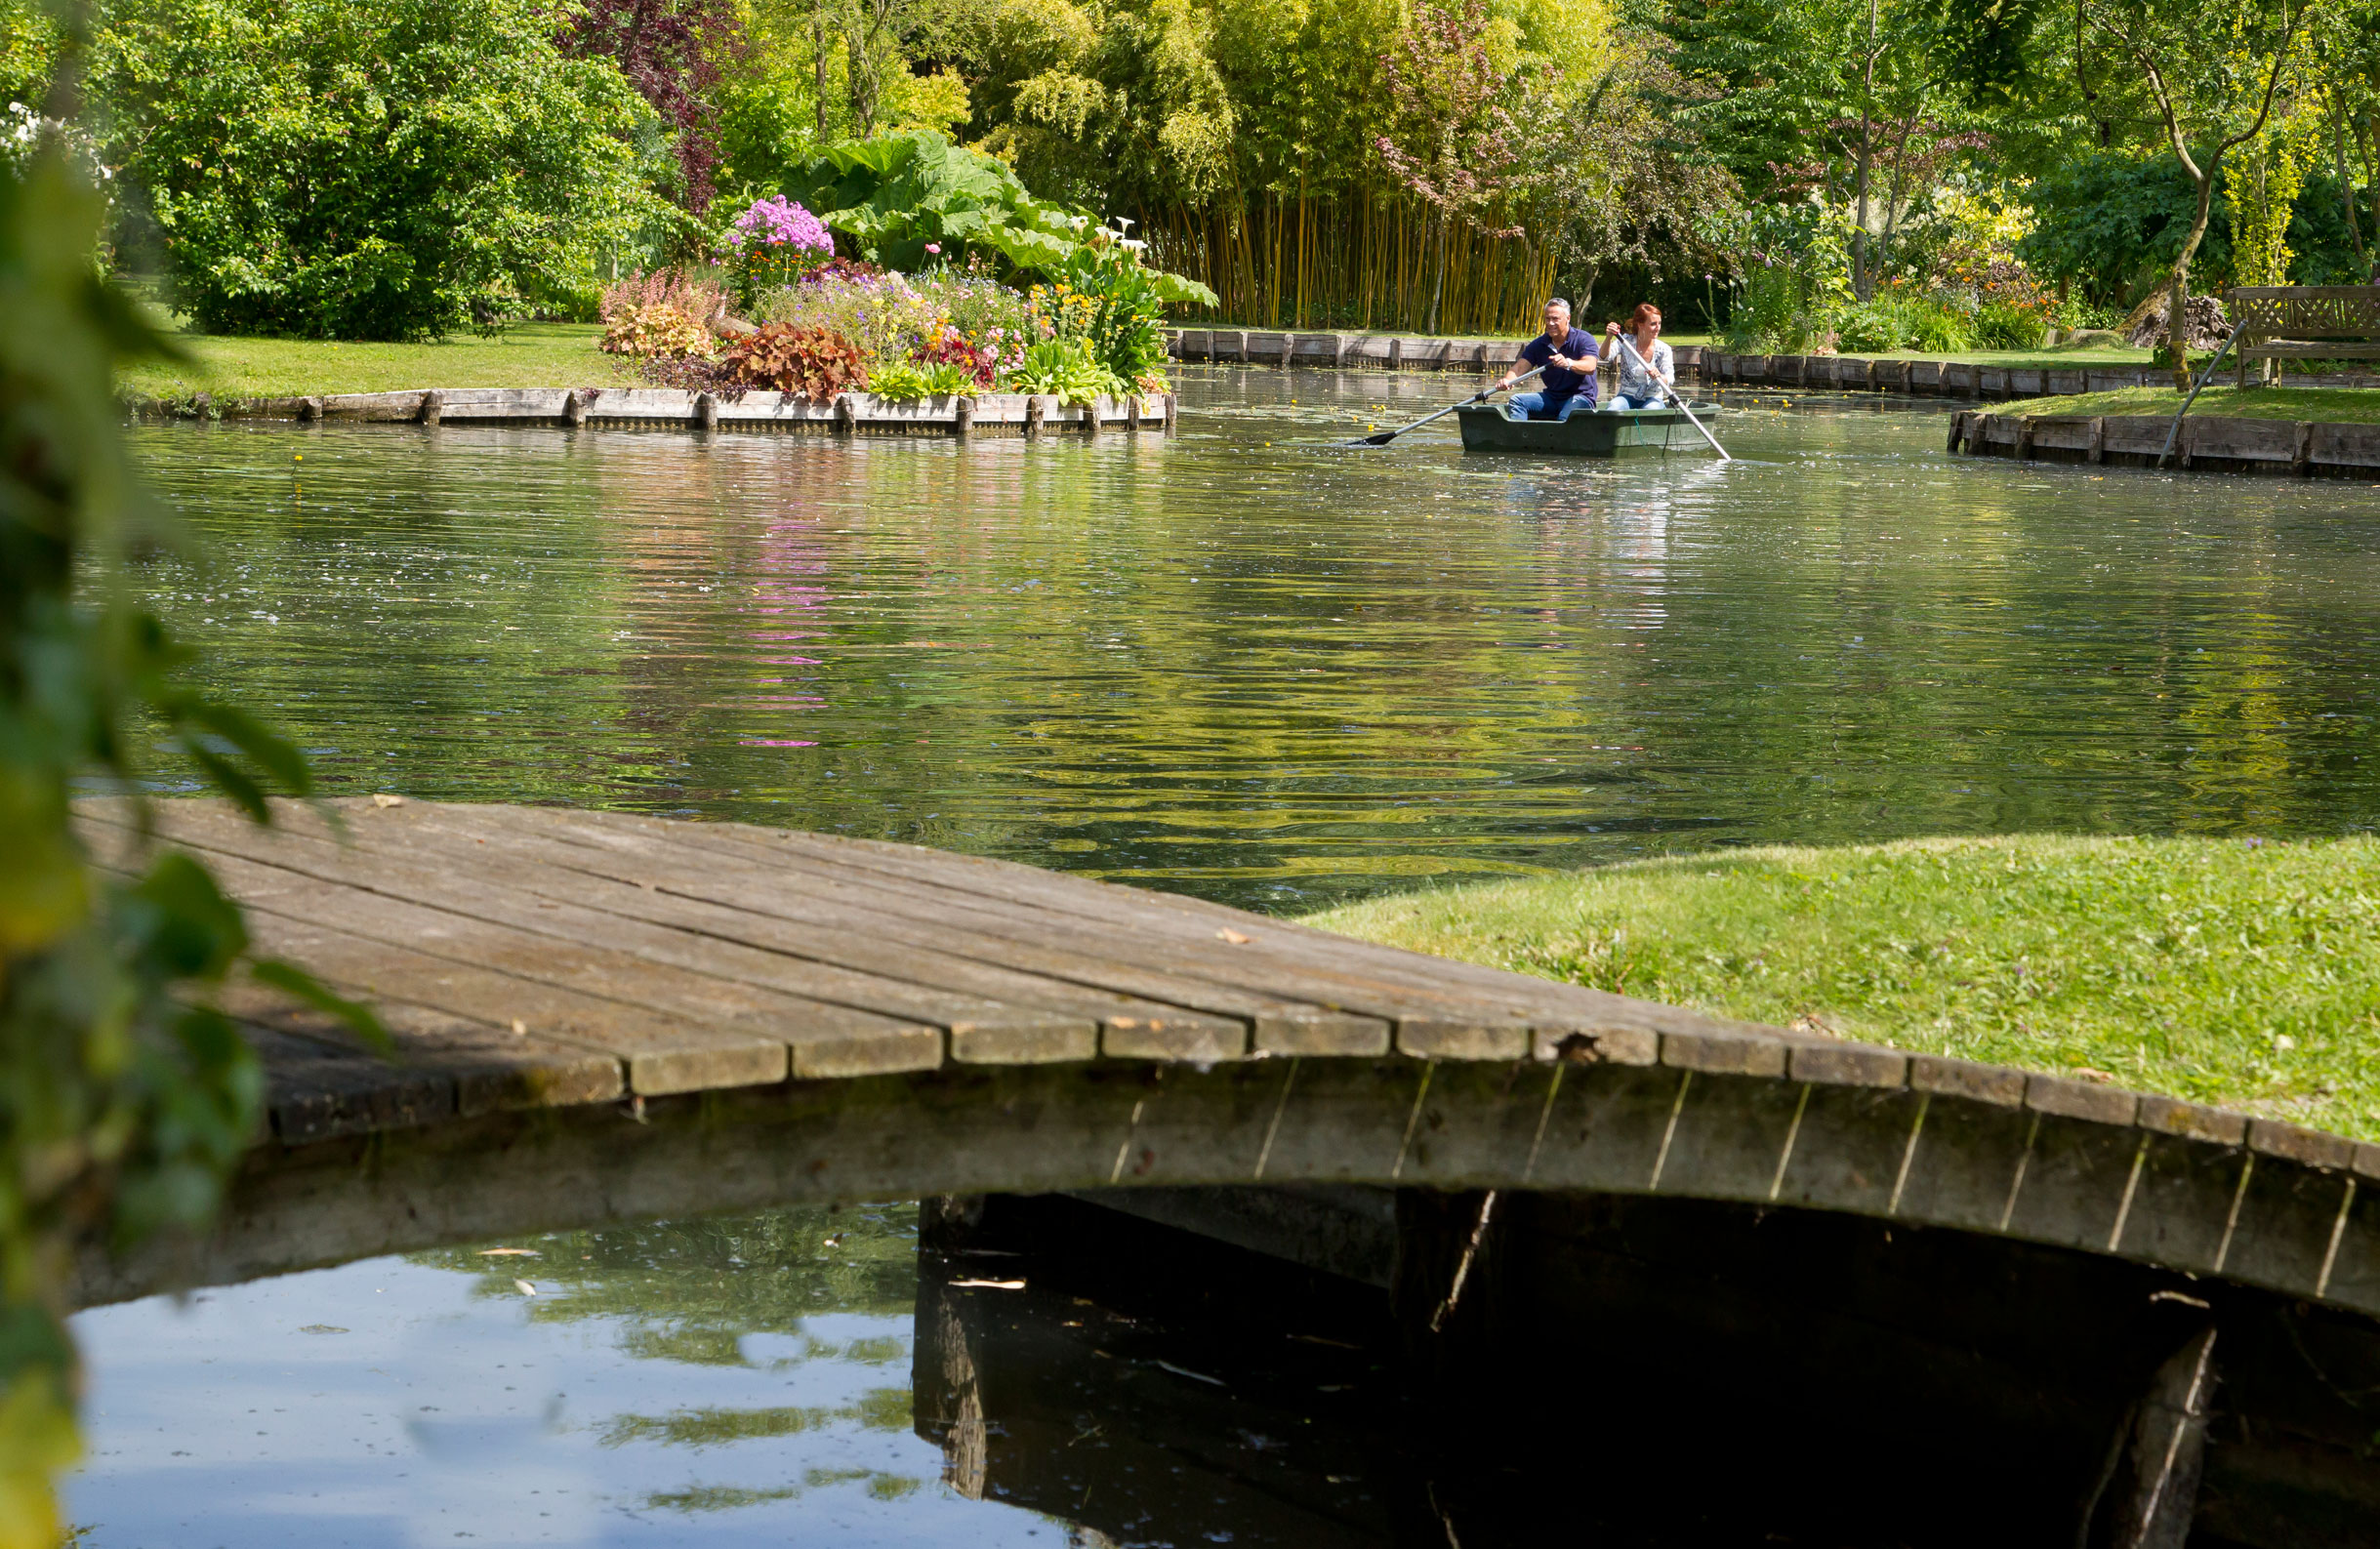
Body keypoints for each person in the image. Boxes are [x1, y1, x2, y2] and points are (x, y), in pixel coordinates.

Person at [1495, 299, 1598, 421]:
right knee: (1517, 401)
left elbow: (1590, 366)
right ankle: (1521, 438)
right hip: (1552, 398)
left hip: (1581, 398)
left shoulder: (1584, 339)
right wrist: (1507, 380)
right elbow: (1519, 368)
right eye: (1547, 319)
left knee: (1565, 418)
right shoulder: (1539, 344)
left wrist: (1568, 363)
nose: (1550, 323)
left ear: (1568, 318)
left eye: (1555, 319)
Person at [1601, 304, 1674, 411]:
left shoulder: (1664, 349)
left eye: (1659, 323)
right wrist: (1609, 337)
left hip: (1652, 397)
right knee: (1614, 408)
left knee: (1650, 411)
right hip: (1626, 396)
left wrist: (1660, 376)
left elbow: (1670, 378)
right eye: (1653, 324)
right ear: (1640, 325)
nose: (1658, 328)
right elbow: (1604, 357)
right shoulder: (1625, 341)